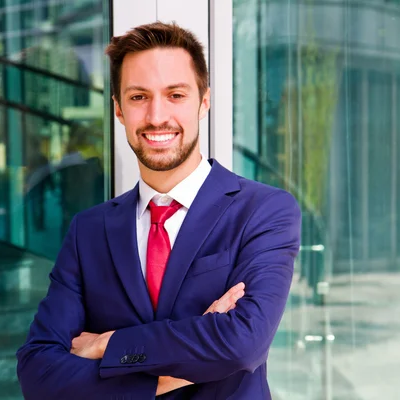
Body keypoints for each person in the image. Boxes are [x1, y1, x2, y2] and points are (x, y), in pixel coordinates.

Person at [16, 21, 301, 399]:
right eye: (138, 97)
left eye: (175, 95)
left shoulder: (263, 211)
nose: (156, 116)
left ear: (204, 101)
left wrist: (108, 345)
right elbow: (37, 370)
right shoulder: (89, 230)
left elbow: (243, 343)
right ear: (118, 109)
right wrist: (165, 378)